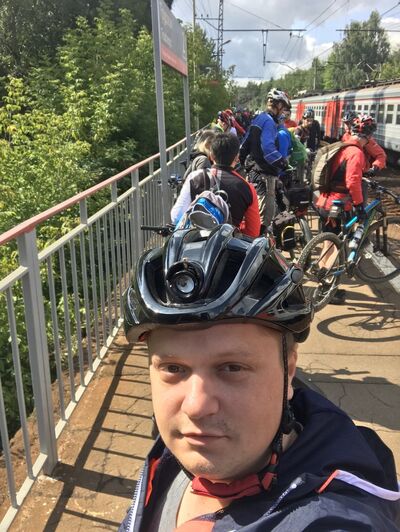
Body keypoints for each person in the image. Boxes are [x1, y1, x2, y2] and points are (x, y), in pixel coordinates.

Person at [120, 225, 400, 531]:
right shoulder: (171, 455)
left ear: (289, 369)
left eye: (232, 368)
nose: (196, 407)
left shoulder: (335, 520)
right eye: (173, 369)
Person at [315, 114, 371, 304]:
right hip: (337, 205)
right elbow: (353, 181)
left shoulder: (342, 146)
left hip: (325, 201)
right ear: (368, 137)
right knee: (336, 247)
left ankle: (321, 276)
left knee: (327, 243)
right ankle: (327, 289)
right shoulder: (356, 152)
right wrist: (359, 205)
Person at [171, 132, 261, 237]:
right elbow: (253, 232)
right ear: (237, 157)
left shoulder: (195, 177)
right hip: (227, 243)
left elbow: (176, 216)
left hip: (194, 241)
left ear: (211, 155)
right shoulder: (247, 188)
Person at [239, 88, 291, 232]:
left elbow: (244, 145)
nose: (283, 112)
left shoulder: (259, 118)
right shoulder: (269, 122)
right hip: (264, 176)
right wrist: (283, 163)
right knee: (264, 220)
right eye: (283, 108)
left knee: (252, 216)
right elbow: (268, 149)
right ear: (278, 105)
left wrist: (245, 164)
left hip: (253, 173)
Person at [342, 112, 387, 177]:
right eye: (345, 123)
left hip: (360, 171)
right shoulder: (345, 136)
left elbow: (381, 155)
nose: (347, 126)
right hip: (345, 169)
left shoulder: (366, 140)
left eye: (349, 123)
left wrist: (375, 168)